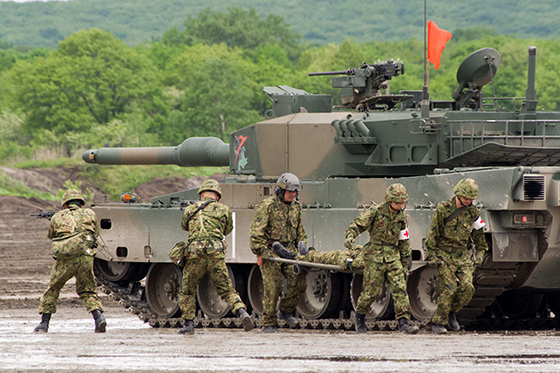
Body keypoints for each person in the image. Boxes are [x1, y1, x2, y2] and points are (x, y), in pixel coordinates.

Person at [177, 179, 254, 334]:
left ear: (202, 194)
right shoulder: (224, 210)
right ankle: (241, 311)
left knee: (188, 290)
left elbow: (184, 226)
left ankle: (189, 324)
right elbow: (227, 229)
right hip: (215, 255)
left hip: (195, 256)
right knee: (227, 290)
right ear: (217, 196)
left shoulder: (191, 209)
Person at [346, 183, 418, 334]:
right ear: (389, 200)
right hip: (375, 255)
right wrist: (350, 236)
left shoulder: (402, 218)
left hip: (392, 255)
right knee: (371, 291)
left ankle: (403, 322)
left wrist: (406, 260)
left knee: (400, 289)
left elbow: (404, 240)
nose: (400, 205)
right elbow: (359, 224)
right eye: (397, 202)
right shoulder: (376, 212)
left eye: (402, 202)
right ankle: (360, 317)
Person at [34, 188, 106, 333]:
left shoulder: (58, 217)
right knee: (88, 290)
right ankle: (99, 318)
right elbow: (96, 233)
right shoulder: (90, 213)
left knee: (53, 289)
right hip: (86, 256)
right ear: (81, 203)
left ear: (65, 205)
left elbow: (52, 235)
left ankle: (44, 324)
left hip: (66, 258)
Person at [426, 178, 488, 334]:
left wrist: (480, 254)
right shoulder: (443, 209)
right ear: (458, 195)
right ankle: (438, 323)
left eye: (471, 199)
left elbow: (479, 238)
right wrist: (432, 255)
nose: (468, 201)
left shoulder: (474, 212)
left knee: (468, 288)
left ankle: (451, 311)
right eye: (466, 198)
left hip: (462, 255)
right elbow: (433, 234)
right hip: (444, 253)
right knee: (450, 287)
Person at [249, 173, 308, 333]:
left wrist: (302, 245)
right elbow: (256, 234)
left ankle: (285, 310)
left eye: (295, 192)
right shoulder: (267, 206)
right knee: (272, 287)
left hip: (289, 251)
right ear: (280, 191)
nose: (293, 194)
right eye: (290, 191)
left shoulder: (296, 206)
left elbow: (300, 231)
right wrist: (262, 251)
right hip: (270, 251)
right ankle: (268, 322)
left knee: (300, 283)